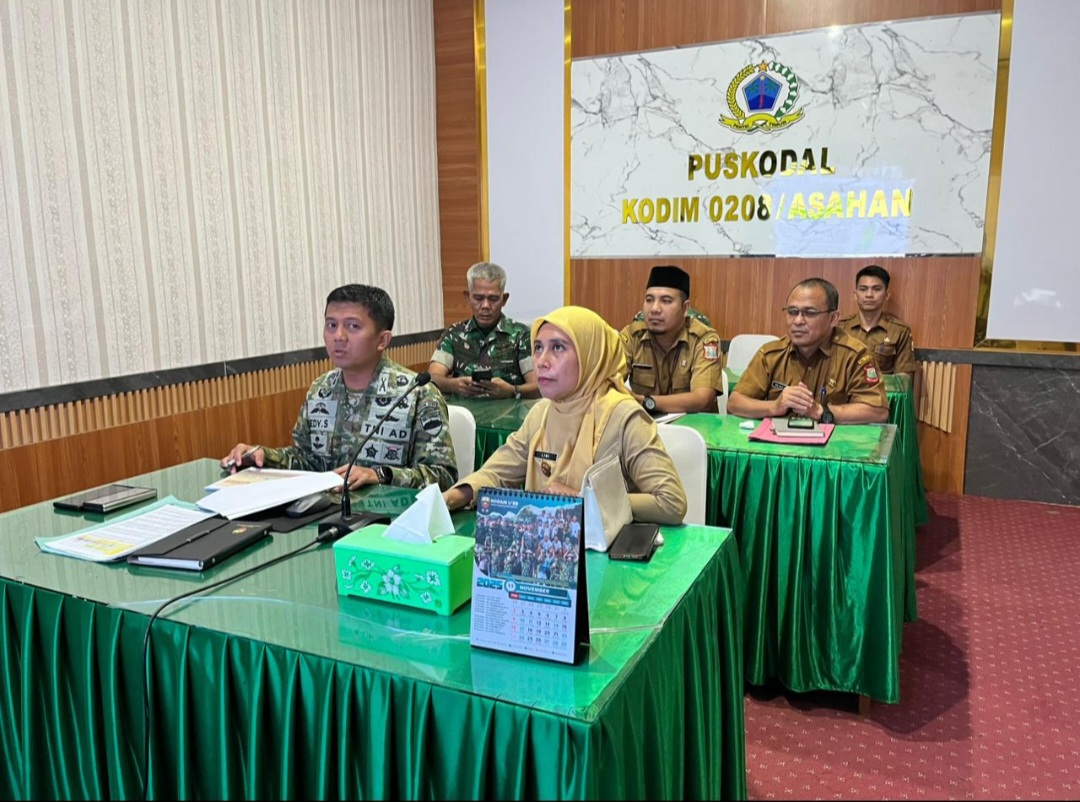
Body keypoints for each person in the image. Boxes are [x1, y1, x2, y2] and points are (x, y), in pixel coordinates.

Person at [443, 305, 687, 525]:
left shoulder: (624, 417)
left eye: (558, 348)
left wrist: (585, 501)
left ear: (590, 355)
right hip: (546, 546)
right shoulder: (542, 412)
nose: (542, 361)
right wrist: (450, 498)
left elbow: (671, 502)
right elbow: (497, 472)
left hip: (607, 551)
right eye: (538, 348)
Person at [222, 284, 457, 490]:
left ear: (382, 340)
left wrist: (379, 475)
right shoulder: (321, 389)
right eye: (331, 325)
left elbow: (442, 476)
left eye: (353, 326)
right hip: (326, 513)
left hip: (389, 520)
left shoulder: (418, 394)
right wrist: (263, 456)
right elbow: (307, 460)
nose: (338, 336)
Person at [726, 278, 889, 424]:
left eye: (810, 313)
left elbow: (878, 411)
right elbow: (734, 403)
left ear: (833, 318)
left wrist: (820, 411)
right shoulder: (771, 354)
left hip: (833, 446)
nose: (798, 321)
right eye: (792, 312)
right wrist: (773, 407)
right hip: (779, 445)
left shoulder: (855, 355)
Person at [619, 265, 723, 415]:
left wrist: (646, 402)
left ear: (685, 308)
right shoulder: (632, 336)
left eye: (666, 301)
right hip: (644, 425)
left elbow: (702, 399)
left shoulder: (703, 339)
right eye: (649, 300)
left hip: (694, 427)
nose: (654, 309)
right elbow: (608, 382)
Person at [428, 261, 538, 400]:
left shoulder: (521, 335)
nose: (485, 306)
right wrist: (453, 385)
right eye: (478, 298)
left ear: (504, 299)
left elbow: (538, 387)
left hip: (509, 411)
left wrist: (512, 391)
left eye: (493, 299)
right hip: (463, 412)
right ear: (467, 297)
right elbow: (432, 378)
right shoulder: (454, 334)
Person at [837, 264, 916, 375]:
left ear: (887, 295)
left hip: (883, 386)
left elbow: (904, 377)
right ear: (855, 295)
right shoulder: (840, 328)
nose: (869, 295)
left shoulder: (899, 331)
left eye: (876, 289)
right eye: (863, 289)